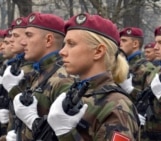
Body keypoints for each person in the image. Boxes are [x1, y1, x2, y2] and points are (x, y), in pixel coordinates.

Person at [46, 13, 140, 141]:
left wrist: (66, 134)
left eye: (71, 44)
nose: (62, 51)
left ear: (98, 51)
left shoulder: (116, 105)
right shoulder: (75, 93)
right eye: (64, 44)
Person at [9, 12, 74, 140]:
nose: (23, 42)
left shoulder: (63, 79)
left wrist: (32, 122)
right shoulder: (41, 72)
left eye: (29, 35)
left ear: (48, 40)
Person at [118, 27, 157, 102]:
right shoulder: (120, 64)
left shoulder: (147, 68)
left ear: (135, 44)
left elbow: (150, 99)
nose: (120, 44)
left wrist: (130, 90)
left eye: (124, 41)